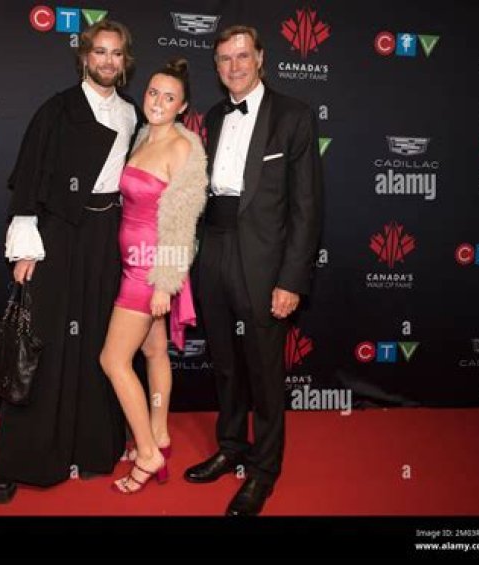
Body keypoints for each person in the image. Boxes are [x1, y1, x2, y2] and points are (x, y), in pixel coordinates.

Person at [0, 20, 141, 503]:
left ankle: (91, 448)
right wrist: (25, 244)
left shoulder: (132, 114)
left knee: (97, 339)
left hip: (106, 235)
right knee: (43, 341)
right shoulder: (56, 109)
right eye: (100, 52)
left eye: (116, 53)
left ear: (125, 62)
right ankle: (16, 462)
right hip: (57, 233)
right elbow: (29, 176)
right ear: (84, 57)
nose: (108, 61)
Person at [183, 26, 323, 515]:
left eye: (242, 56)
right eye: (224, 59)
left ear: (260, 57)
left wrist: (291, 280)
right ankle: (230, 446)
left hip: (264, 260)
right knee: (224, 361)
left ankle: (263, 470)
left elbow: (307, 208)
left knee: (263, 370)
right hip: (215, 248)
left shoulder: (294, 116)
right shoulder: (213, 116)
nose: (234, 66)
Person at [99, 58, 207, 494]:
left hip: (150, 268)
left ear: (183, 107)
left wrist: (166, 282)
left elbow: (183, 223)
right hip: (133, 261)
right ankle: (159, 431)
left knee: (113, 360)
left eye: (169, 97)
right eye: (153, 93)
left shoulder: (182, 149)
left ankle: (147, 453)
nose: (159, 102)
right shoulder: (143, 135)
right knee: (155, 350)